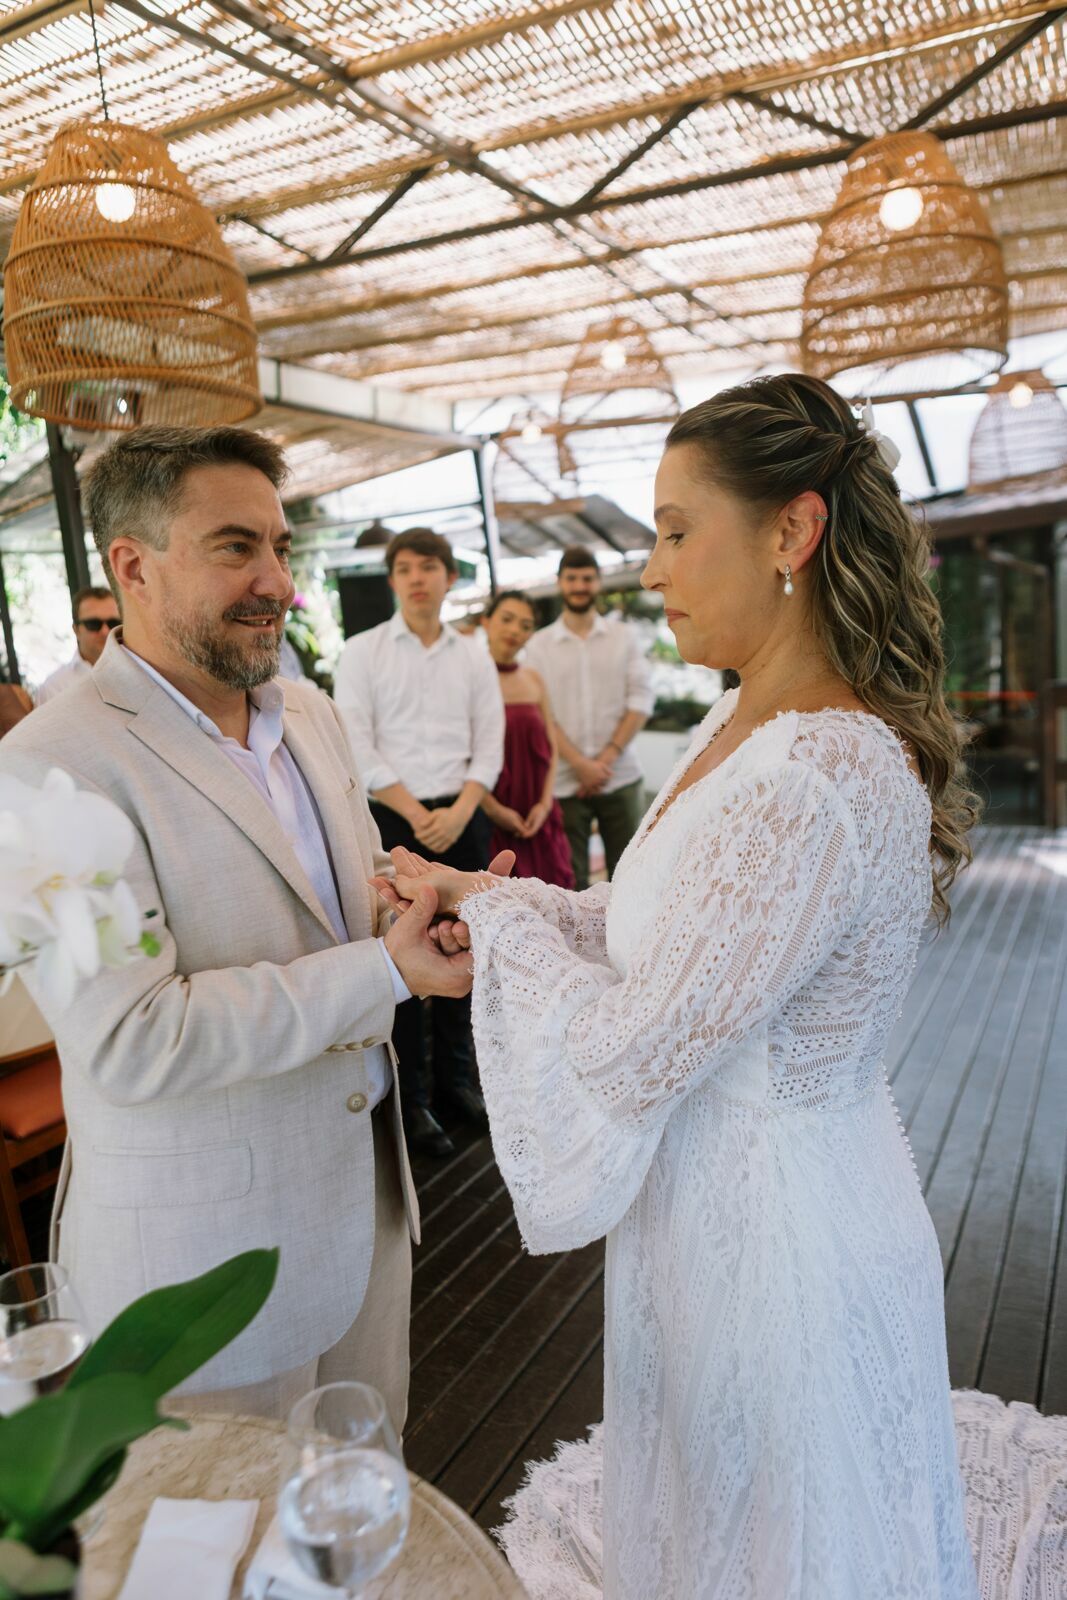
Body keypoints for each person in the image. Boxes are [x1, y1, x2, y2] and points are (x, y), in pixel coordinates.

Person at [376, 375, 982, 1598]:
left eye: (671, 530)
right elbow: (640, 922)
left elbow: (627, 1049)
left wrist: (503, 946)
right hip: (714, 1215)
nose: (648, 570)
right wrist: (483, 899)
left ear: (789, 532)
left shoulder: (811, 777)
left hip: (782, 1250)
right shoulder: (737, 724)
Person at [0, 425, 480, 1432]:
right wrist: (385, 972)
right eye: (235, 547)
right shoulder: (46, 767)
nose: (278, 583)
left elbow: (337, 897)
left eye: (280, 547)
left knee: (359, 1497)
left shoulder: (309, 713)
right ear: (132, 565)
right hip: (196, 1279)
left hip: (364, 1220)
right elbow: (134, 1038)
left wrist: (419, 901)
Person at [334, 528, 504, 1159]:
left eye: (427, 567)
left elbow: (489, 741)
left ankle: (460, 1083)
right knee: (402, 955)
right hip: (396, 824)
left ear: (449, 576)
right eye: (403, 568)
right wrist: (415, 811)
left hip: (463, 816)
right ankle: (414, 1102)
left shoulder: (473, 654)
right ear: (392, 580)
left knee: (468, 949)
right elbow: (356, 741)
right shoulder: (362, 652)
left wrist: (459, 811)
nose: (415, 578)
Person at [525, 547, 652, 890]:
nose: (579, 586)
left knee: (631, 879)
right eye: (572, 578)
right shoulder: (538, 645)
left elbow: (640, 700)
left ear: (598, 582)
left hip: (620, 775)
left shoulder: (624, 637)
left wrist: (603, 761)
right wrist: (581, 765)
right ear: (560, 582)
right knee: (570, 883)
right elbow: (541, 713)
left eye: (587, 578)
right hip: (565, 781)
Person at [480, 590, 573, 888]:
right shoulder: (471, 680)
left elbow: (551, 745)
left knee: (554, 891)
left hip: (538, 811)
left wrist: (544, 804)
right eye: (507, 619)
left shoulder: (534, 679)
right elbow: (460, 756)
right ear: (486, 622)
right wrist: (494, 810)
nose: (515, 630)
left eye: (525, 625)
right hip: (491, 813)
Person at [36, 585, 120, 703]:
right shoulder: (53, 688)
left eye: (113, 623)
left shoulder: (140, 673)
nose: (105, 631)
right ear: (76, 630)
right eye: (93, 624)